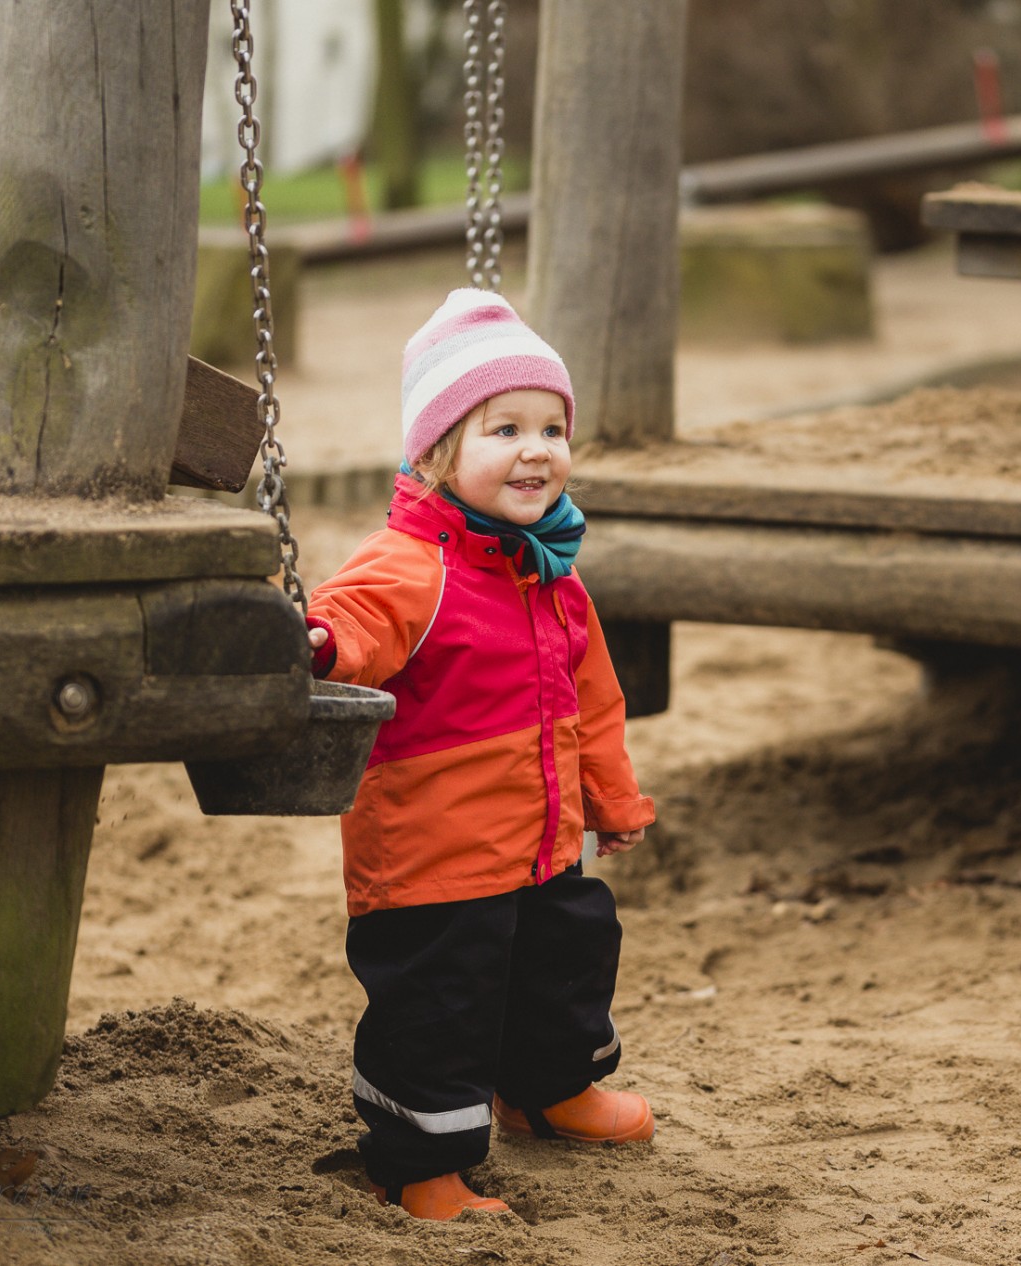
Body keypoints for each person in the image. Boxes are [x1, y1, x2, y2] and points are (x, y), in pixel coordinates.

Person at [303, 288, 657, 1222]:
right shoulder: (412, 562)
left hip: (541, 845)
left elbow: (595, 705)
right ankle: (418, 1166)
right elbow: (356, 618)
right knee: (438, 1010)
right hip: (433, 865)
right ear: (436, 453)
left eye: (551, 427)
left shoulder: (551, 577)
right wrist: (318, 643)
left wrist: (612, 803)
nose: (536, 449)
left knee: (570, 957)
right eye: (504, 428)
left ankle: (549, 1087)